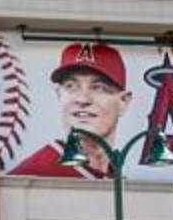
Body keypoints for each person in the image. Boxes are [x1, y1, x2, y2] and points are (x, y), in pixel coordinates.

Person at [8, 40, 132, 178]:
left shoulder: (116, 177)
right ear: (59, 95)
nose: (83, 99)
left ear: (123, 102)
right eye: (71, 86)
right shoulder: (33, 174)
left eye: (99, 88)